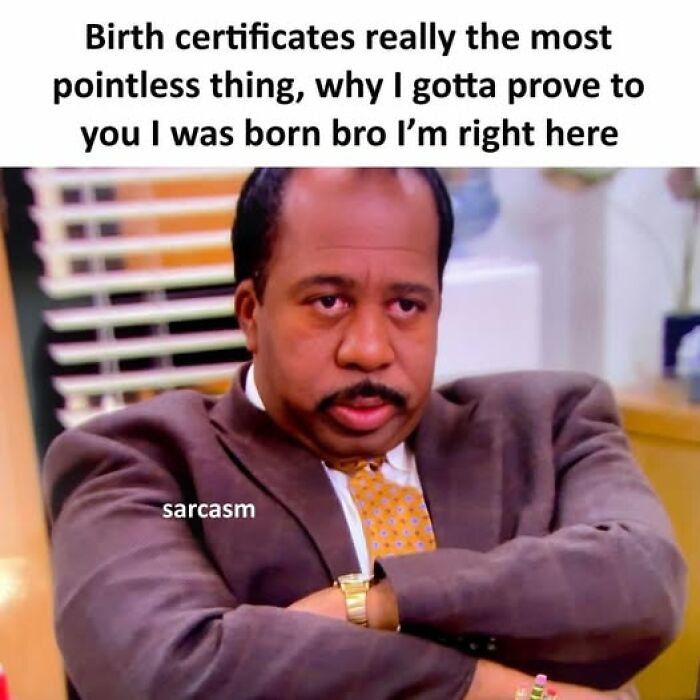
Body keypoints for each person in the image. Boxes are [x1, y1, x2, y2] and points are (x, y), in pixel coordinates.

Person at [43, 168, 685, 700]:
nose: (370, 349)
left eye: (407, 306)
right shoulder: (144, 466)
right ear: (252, 314)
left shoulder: (548, 426)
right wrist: (492, 688)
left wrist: (376, 602)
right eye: (329, 302)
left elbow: (642, 584)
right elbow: (170, 676)